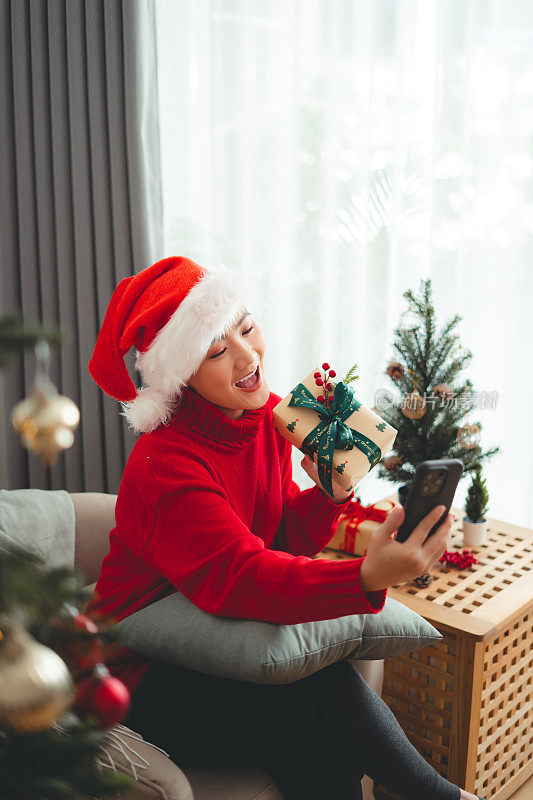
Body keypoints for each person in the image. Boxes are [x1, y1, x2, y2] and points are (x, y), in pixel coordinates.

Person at [86, 256, 485, 800]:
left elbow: (279, 539)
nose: (248, 356)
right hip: (138, 679)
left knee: (322, 753)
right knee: (324, 693)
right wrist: (364, 578)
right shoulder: (166, 464)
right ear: (181, 374)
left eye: (246, 326)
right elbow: (242, 576)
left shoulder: (269, 416)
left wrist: (329, 491)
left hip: (217, 647)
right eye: (216, 350)